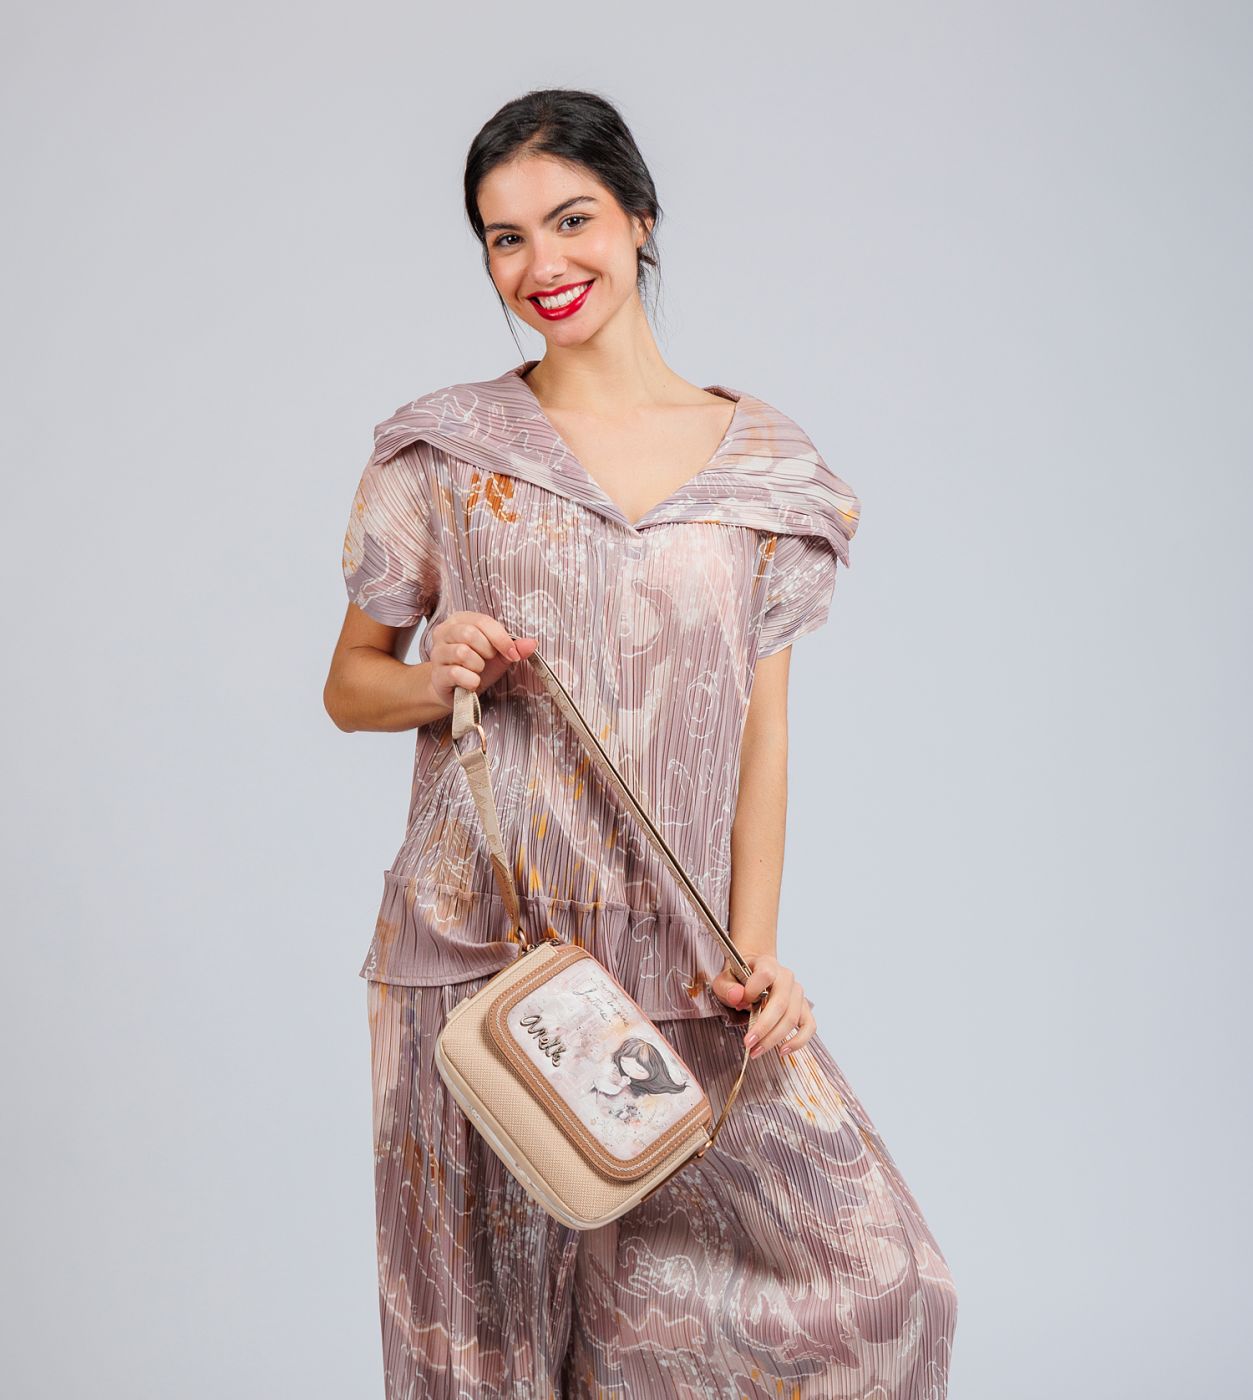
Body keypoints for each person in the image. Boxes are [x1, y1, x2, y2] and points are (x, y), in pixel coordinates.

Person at [324, 87, 958, 1400]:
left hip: (677, 970)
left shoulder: (763, 475)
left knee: (881, 1287)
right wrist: (439, 673)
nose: (541, 265)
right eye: (505, 239)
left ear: (640, 220)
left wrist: (755, 949)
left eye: (572, 221)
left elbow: (763, 734)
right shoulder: (444, 453)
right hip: (477, 962)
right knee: (482, 1352)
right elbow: (350, 688)